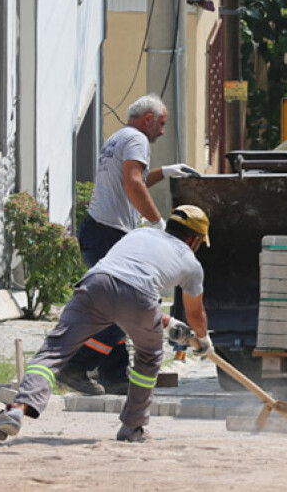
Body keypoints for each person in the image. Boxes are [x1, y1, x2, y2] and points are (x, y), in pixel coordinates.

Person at [0, 205, 213, 443]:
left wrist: (166, 321)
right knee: (149, 356)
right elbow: (194, 314)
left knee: (54, 350)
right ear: (195, 240)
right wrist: (203, 340)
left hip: (96, 284)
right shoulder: (192, 264)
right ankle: (132, 427)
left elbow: (121, 280)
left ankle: (16, 410)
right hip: (139, 298)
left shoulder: (139, 233)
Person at [67, 94, 197, 396]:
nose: (162, 131)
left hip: (99, 232)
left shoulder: (118, 137)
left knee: (115, 306)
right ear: (148, 119)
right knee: (118, 309)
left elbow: (133, 180)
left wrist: (163, 173)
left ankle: (113, 376)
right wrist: (157, 223)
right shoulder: (137, 139)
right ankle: (75, 366)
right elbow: (133, 184)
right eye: (161, 124)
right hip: (108, 234)